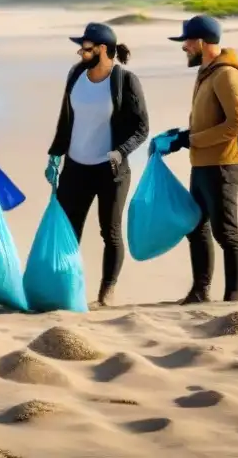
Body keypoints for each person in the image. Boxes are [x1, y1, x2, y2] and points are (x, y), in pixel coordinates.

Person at [45, 23, 148, 307]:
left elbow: (142, 127)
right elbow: (66, 118)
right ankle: (66, 288)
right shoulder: (76, 74)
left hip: (110, 170)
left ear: (102, 49)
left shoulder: (125, 81)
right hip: (75, 167)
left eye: (86, 47)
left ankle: (107, 292)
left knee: (110, 232)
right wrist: (55, 153)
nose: (81, 52)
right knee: (68, 230)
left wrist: (121, 151)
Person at [153, 15, 238, 304]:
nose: (184, 47)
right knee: (196, 227)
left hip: (223, 165)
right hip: (203, 163)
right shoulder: (206, 72)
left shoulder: (227, 75)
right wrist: (180, 137)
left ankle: (232, 298)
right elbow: (209, 120)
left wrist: (191, 140)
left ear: (201, 42)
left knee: (225, 231)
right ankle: (200, 292)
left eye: (186, 41)